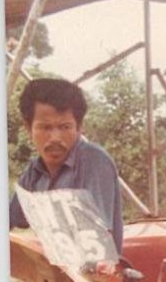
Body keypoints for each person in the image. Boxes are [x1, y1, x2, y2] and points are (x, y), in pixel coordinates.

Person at [10, 77, 124, 254]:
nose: (55, 137)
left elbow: (96, 240)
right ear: (28, 128)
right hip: (52, 276)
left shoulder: (93, 161)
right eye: (45, 127)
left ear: (79, 128)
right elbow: (7, 219)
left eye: (65, 127)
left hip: (94, 279)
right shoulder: (35, 172)